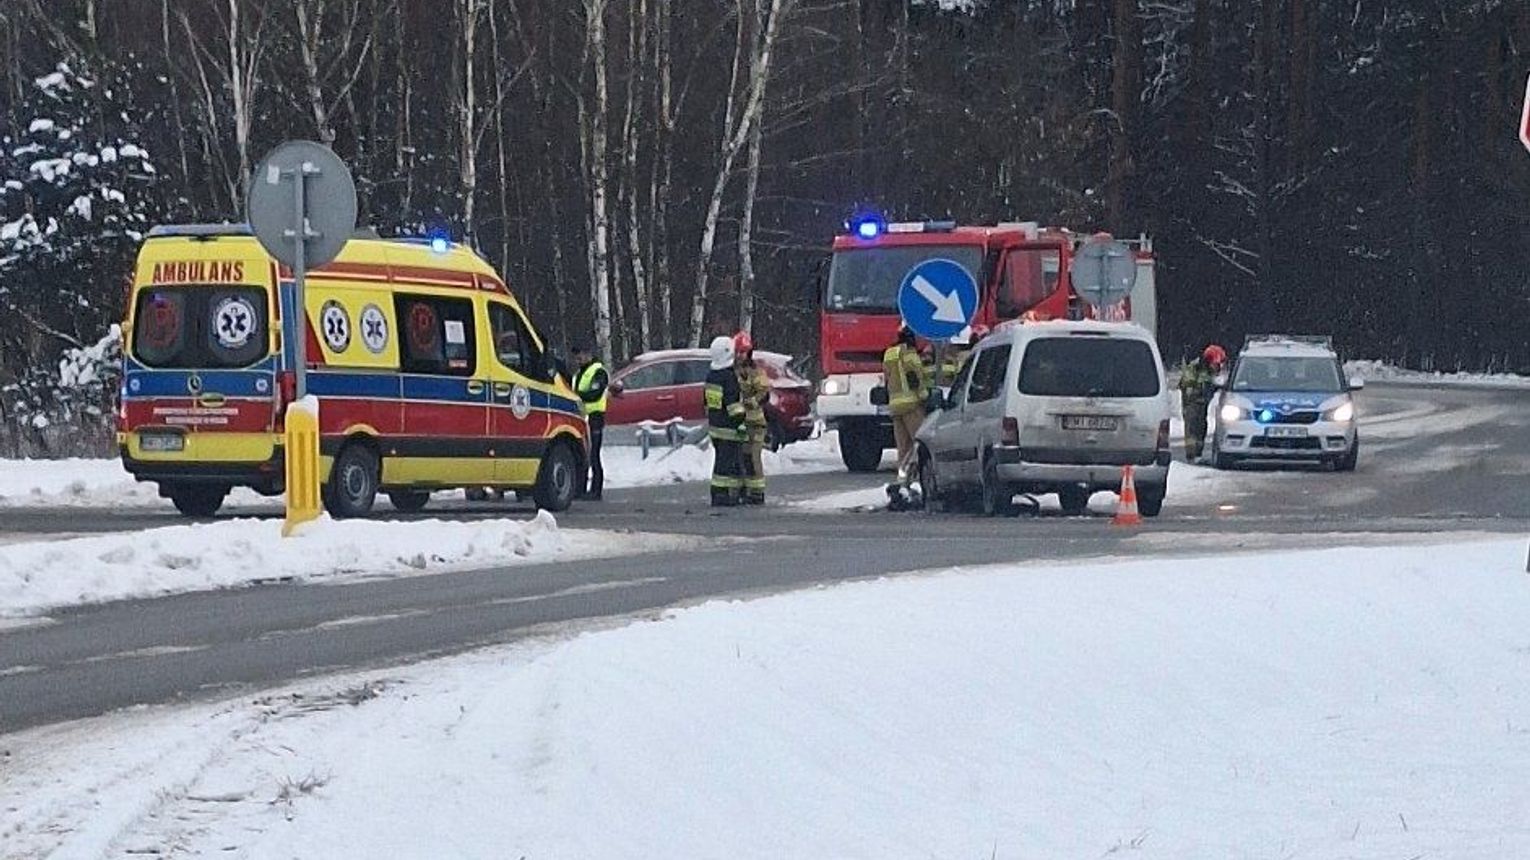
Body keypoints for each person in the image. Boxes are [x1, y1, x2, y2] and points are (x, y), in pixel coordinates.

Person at [883, 325, 931, 486]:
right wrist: (925, 397)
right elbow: (914, 378)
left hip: (895, 407)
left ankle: (902, 478)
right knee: (919, 442)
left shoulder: (889, 353)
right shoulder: (909, 354)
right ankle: (916, 477)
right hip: (911, 405)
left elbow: (887, 378)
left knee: (902, 447)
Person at [704, 335, 747, 506]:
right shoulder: (728, 378)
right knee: (727, 463)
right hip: (729, 428)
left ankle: (725, 494)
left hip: (715, 426)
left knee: (723, 461)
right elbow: (732, 405)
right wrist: (741, 421)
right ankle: (723, 496)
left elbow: (707, 401)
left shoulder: (711, 376)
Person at [734, 330, 769, 505]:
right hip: (738, 423)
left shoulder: (755, 372)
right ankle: (743, 489)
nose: (741, 355)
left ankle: (757, 492)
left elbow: (764, 393)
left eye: (744, 352)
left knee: (752, 458)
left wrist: (750, 402)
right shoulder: (731, 371)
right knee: (740, 457)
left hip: (755, 423)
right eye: (738, 352)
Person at [572, 345, 608, 500]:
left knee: (594, 454)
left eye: (580, 356)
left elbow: (594, 393)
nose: (578, 359)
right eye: (576, 357)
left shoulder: (599, 372)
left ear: (588, 354)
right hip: (581, 418)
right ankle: (581, 489)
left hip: (595, 417)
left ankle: (596, 490)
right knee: (583, 454)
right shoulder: (579, 373)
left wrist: (577, 397)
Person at [1179, 343, 1227, 462]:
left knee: (1202, 427)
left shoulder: (1208, 371)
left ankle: (1198, 454)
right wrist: (1202, 389)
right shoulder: (1194, 368)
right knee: (1192, 428)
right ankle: (1191, 455)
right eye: (1216, 364)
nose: (1218, 367)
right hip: (1192, 404)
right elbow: (1188, 387)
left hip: (1202, 404)